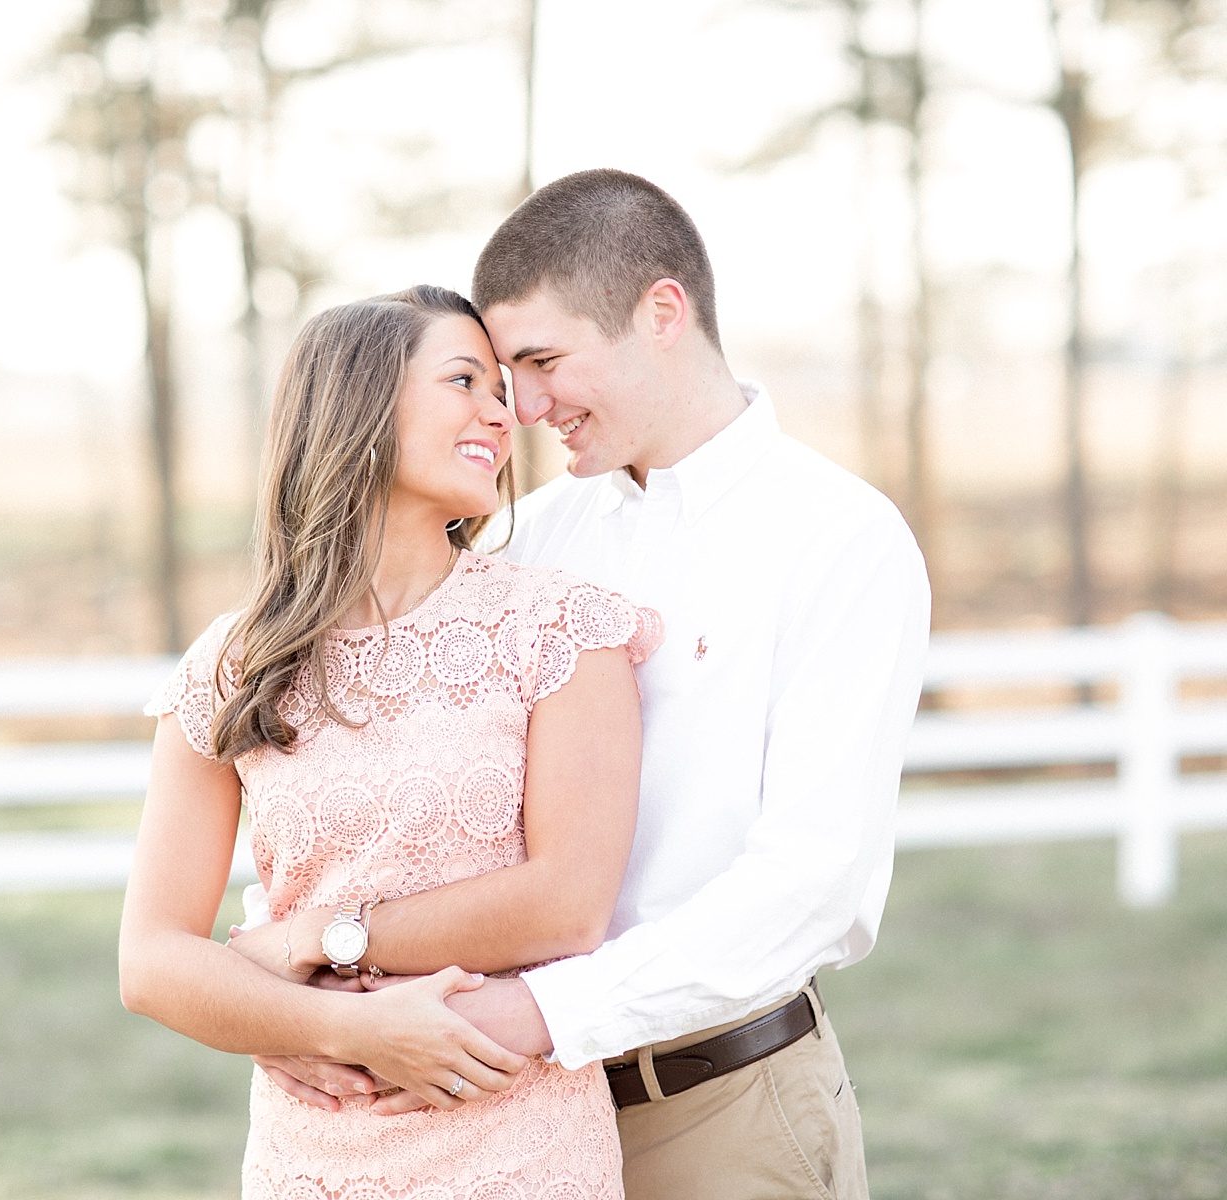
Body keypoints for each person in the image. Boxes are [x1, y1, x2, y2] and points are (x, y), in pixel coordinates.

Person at [249, 171, 932, 1199]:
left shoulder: (839, 540)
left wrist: (544, 1014)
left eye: (540, 360)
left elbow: (811, 887)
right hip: (494, 1116)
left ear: (663, 313)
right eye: (497, 372)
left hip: (717, 1106)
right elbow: (387, 777)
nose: (521, 407)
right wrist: (307, 1000)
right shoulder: (536, 539)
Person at [118, 283, 664, 1198]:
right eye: (466, 381)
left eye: (502, 390)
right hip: (313, 1157)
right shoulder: (235, 662)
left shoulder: (559, 628)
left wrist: (315, 940)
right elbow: (151, 961)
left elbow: (568, 904)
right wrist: (345, 1030)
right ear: (360, 403)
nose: (503, 411)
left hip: (514, 1145)